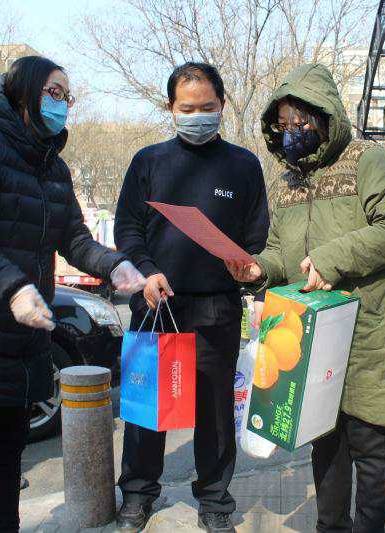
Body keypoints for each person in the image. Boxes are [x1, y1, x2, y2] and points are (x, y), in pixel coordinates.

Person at [0, 56, 146, 532]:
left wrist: (116, 264)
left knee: (8, 463)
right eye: (53, 93)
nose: (62, 104)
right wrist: (14, 286)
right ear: (23, 92)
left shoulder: (54, 169)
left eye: (67, 97)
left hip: (24, 342)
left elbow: (74, 238)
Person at [226, 63, 385, 533]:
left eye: (301, 122)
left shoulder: (368, 161)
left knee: (371, 448)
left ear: (326, 118)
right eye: (283, 124)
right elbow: (282, 252)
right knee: (325, 443)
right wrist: (259, 268)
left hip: (373, 337)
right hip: (315, 342)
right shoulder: (286, 184)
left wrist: (332, 258)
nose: (292, 132)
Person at [114, 62, 269, 533]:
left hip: (217, 307)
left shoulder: (243, 165)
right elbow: (127, 230)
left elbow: (257, 235)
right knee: (147, 408)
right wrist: (147, 271)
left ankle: (216, 500)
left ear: (222, 105)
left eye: (206, 107)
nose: (197, 116)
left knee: (215, 411)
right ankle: (137, 494)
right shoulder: (148, 162)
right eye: (187, 108)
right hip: (156, 303)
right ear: (171, 108)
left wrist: (248, 267)